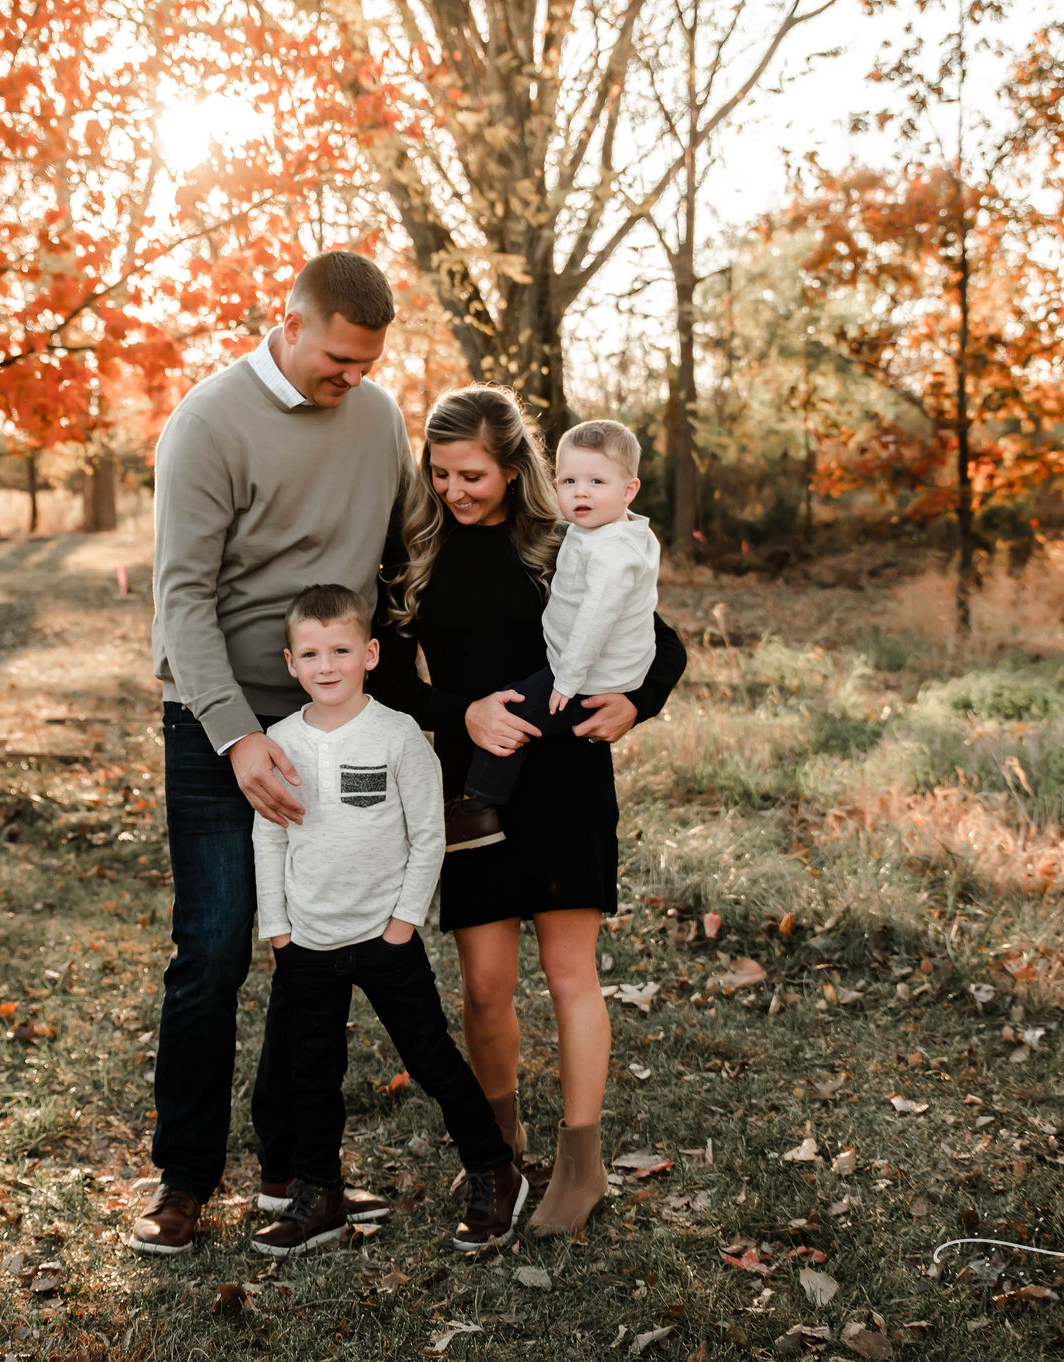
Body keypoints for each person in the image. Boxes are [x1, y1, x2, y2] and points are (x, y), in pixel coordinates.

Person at [132, 251, 410, 1255]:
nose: (353, 379)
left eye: (367, 362)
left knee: (319, 951)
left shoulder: (378, 417)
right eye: (338, 359)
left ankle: (290, 1165)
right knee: (213, 950)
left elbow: (403, 553)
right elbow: (182, 600)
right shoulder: (207, 424)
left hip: (330, 721)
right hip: (217, 721)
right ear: (285, 325)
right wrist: (237, 736)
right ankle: (184, 1178)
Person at [371, 386, 687, 1238]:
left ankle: (581, 1166)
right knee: (483, 984)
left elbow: (661, 640)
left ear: (515, 470)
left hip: (565, 783)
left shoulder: (566, 542)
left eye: (470, 474)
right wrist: (461, 712)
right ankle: (498, 1152)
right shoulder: (413, 556)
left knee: (569, 972)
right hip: (470, 784)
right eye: (437, 473)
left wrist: (637, 703)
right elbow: (389, 678)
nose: (452, 490)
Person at [248, 585, 526, 1257]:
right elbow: (270, 839)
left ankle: (496, 1170)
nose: (327, 665)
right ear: (291, 663)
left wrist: (404, 921)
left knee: (431, 1059)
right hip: (308, 941)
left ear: (370, 653)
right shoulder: (278, 743)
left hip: (384, 937)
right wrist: (278, 929)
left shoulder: (397, 734)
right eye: (311, 653)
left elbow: (429, 836)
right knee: (312, 1074)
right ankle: (323, 1196)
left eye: (341, 650)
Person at [450, 418, 658, 842]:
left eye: (596, 481)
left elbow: (595, 618)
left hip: (587, 677)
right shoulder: (600, 531)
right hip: (586, 668)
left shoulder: (612, 552)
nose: (580, 492)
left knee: (513, 717)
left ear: (628, 490)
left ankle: (477, 807)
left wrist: (567, 680)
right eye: (568, 480)